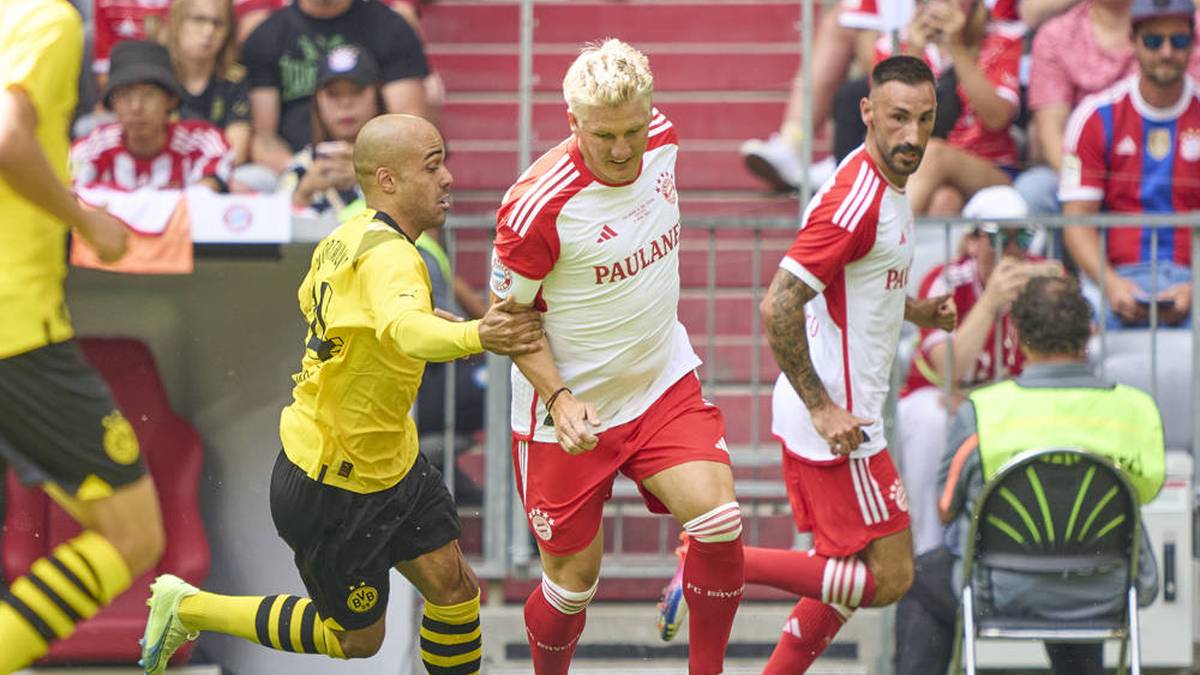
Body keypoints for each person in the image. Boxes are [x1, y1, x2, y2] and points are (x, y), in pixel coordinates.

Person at [136, 114, 543, 675]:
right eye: (433, 166)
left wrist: (419, 326)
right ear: (388, 180)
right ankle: (190, 607)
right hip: (335, 483)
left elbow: (336, 311)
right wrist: (477, 333)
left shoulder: (343, 239)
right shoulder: (393, 254)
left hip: (392, 462)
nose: (448, 178)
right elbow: (404, 329)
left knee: (454, 586)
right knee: (355, 641)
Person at [659, 55, 957, 674]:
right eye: (898, 118)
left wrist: (921, 312)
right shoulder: (855, 200)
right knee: (891, 576)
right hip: (840, 423)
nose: (912, 135)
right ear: (867, 112)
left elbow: (863, 285)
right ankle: (709, 559)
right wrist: (824, 408)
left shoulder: (883, 185)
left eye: (924, 119)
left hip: (838, 412)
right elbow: (778, 304)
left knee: (840, 577)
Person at [489, 39, 745, 675]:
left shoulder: (663, 137)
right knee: (572, 586)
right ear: (572, 121)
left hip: (659, 382)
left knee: (718, 520)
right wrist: (558, 396)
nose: (624, 148)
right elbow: (507, 320)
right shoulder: (534, 207)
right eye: (604, 135)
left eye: (633, 128)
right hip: (568, 413)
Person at [0, 2, 167, 672]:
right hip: (16, 328)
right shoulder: (47, 20)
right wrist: (85, 218)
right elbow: (9, 139)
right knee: (133, 534)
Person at [937, 275, 1163, 674]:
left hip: (1003, 591)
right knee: (1075, 558)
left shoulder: (982, 412)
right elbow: (1147, 490)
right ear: (1088, 332)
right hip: (1105, 590)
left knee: (920, 579)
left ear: (1017, 335)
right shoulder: (1136, 409)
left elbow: (944, 507)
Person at [897, 185, 1052, 557]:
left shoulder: (1042, 280)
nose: (1012, 250)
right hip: (947, 407)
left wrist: (1049, 297)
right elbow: (949, 368)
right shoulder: (947, 281)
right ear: (971, 242)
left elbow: (1061, 361)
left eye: (1022, 237)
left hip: (1008, 405)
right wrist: (990, 303)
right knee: (929, 416)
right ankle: (928, 553)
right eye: (998, 237)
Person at [1061, 0, 1200, 328]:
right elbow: (1076, 223)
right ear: (1133, 40)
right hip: (1115, 278)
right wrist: (1111, 285)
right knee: (1075, 328)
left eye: (1178, 41)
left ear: (1193, 42)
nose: (1166, 52)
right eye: (1153, 41)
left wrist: (1196, 288)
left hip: (1193, 276)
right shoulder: (1095, 116)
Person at [240, 0, 430, 174]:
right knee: (249, 178)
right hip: (294, 170)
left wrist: (366, 167)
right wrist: (300, 169)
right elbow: (263, 137)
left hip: (379, 169)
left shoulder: (389, 27)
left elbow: (410, 123)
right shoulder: (266, 35)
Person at [889, 0, 1026, 215]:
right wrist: (914, 54)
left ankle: (881, 242)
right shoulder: (895, 44)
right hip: (919, 170)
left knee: (934, 153)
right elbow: (893, 126)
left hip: (992, 167)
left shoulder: (1003, 38)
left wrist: (957, 47)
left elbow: (997, 117)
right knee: (944, 201)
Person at [71, 40, 232, 192]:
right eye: (125, 96)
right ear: (112, 104)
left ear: (170, 100)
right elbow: (74, 195)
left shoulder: (200, 142)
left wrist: (205, 187)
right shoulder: (93, 147)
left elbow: (216, 171)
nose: (136, 108)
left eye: (148, 95)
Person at [281, 45, 381, 216]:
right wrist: (304, 193)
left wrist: (369, 180)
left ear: (377, 97)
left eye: (356, 91)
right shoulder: (301, 167)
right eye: (333, 94)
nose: (345, 103)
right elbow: (277, 230)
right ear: (317, 102)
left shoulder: (398, 164)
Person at [166, 0, 252, 166]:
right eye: (199, 19)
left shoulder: (235, 79)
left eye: (218, 23)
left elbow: (237, 152)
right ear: (177, 23)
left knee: (257, 177)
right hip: (164, 171)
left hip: (217, 173)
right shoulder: (158, 74)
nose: (209, 31)